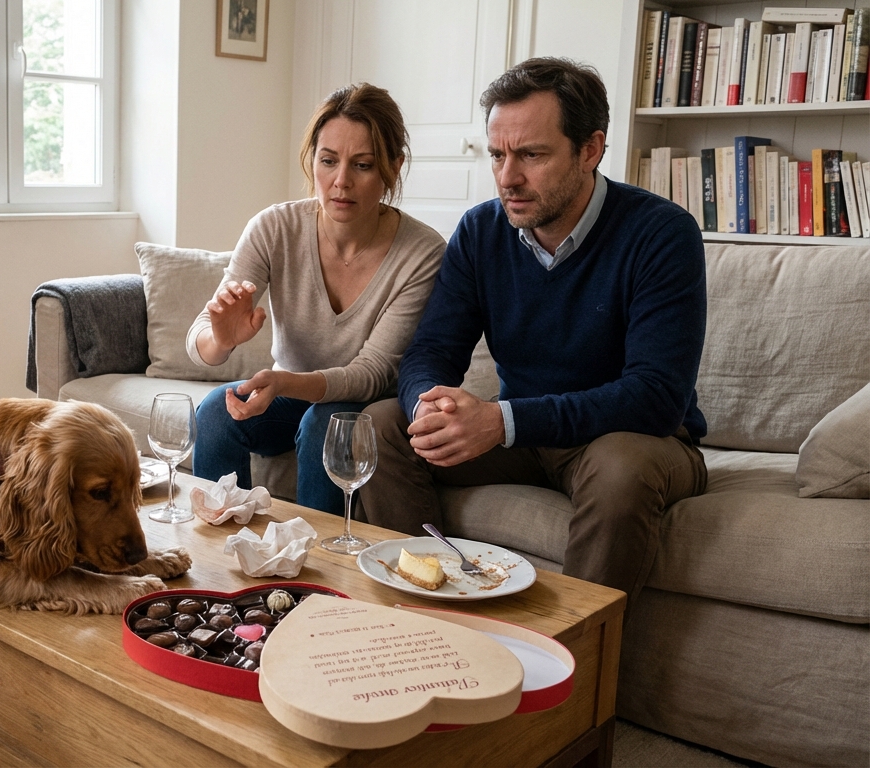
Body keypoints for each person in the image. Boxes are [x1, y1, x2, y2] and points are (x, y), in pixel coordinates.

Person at [355, 58, 709, 602]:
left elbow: (656, 397)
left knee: (621, 467)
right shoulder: (481, 231)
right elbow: (431, 349)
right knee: (382, 424)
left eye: (531, 155)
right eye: (498, 154)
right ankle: (423, 623)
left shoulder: (662, 233)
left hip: (634, 437)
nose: (507, 176)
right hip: (525, 435)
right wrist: (428, 404)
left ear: (590, 149)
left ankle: (575, 666)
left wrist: (502, 421)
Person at [189, 83, 447, 515]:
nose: (340, 182)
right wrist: (221, 339)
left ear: (392, 167)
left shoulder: (422, 253)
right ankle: (222, 559)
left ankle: (316, 569)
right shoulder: (274, 227)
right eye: (328, 161)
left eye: (362, 165)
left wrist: (285, 381)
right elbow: (200, 340)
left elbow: (371, 372)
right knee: (217, 410)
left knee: (327, 423)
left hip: (365, 406)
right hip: (288, 394)